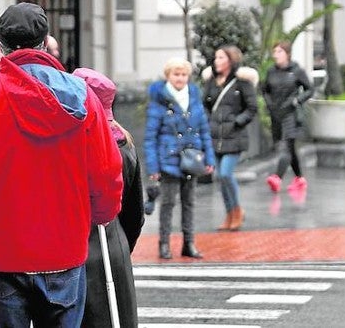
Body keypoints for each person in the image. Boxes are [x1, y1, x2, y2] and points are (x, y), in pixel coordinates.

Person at [0, 3, 123, 328]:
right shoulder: (82, 98)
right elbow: (106, 171)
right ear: (44, 41)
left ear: (2, 45)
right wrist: (101, 214)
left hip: (1, 252)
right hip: (63, 248)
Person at [73, 68, 143, 328]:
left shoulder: (76, 144)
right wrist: (123, 244)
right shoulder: (125, 143)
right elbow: (135, 213)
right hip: (114, 245)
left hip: (81, 252)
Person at [144, 58, 216, 260]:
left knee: (189, 203)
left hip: (192, 159)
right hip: (168, 160)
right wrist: (153, 167)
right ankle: (164, 243)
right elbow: (150, 137)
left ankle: (189, 243)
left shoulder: (194, 98)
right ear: (168, 76)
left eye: (184, 74)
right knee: (167, 203)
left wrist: (209, 159)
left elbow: (204, 131)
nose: (180, 78)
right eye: (176, 74)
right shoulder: (159, 102)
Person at [202, 46, 259, 231]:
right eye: (216, 57)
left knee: (226, 173)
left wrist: (237, 122)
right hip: (215, 135)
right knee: (219, 177)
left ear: (230, 60)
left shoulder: (242, 82)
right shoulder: (211, 81)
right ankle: (229, 214)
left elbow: (252, 108)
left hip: (234, 136)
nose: (216, 60)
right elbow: (205, 105)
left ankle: (237, 211)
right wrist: (208, 122)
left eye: (221, 57)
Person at [262, 40, 314, 195]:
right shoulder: (271, 71)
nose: (276, 55)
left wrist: (297, 100)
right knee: (289, 149)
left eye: (280, 52)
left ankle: (277, 177)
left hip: (291, 114)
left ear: (287, 54)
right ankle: (300, 178)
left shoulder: (297, 71)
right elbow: (265, 90)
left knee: (286, 145)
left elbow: (310, 89)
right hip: (276, 114)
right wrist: (269, 103)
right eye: (274, 52)